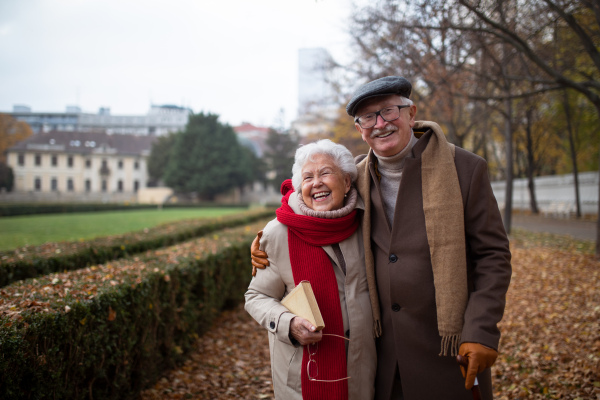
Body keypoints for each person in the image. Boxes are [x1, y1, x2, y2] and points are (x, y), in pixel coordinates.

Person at [251, 76, 512, 400]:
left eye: (388, 111)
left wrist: (482, 329)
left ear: (411, 113)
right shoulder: (357, 176)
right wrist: (268, 238)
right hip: (383, 358)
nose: (380, 124)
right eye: (367, 118)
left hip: (448, 349)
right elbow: (308, 202)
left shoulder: (464, 169)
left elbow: (493, 255)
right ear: (360, 129)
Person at [245, 139, 377, 400]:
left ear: (348, 182)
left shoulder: (368, 223)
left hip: (362, 369)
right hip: (305, 375)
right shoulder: (279, 231)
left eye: (326, 172)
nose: (316, 183)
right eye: (307, 177)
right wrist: (288, 323)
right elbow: (256, 297)